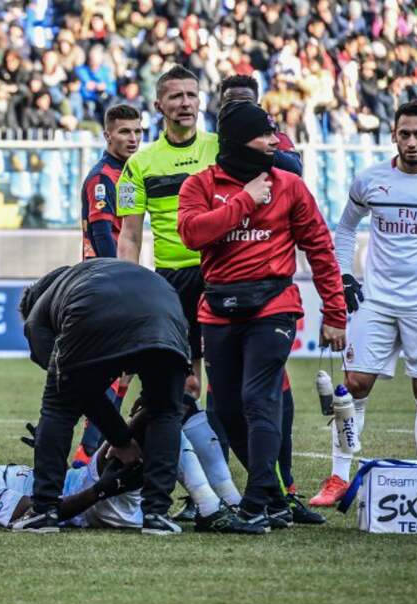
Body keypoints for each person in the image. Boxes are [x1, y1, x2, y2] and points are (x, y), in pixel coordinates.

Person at [177, 101, 347, 531]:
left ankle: (256, 501)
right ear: (237, 140)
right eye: (265, 134)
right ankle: (272, 497)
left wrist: (336, 313)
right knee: (227, 409)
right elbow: (192, 234)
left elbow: (321, 250)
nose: (275, 141)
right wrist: (244, 202)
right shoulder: (198, 185)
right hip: (217, 308)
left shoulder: (290, 186)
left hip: (274, 305)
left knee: (258, 399)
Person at [310, 100, 417, 507]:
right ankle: (338, 477)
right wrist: (344, 276)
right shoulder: (370, 180)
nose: (411, 142)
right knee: (353, 386)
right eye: (404, 133)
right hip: (375, 301)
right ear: (393, 135)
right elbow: (344, 227)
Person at [115, 65, 241, 521]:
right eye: (175, 96)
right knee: (183, 387)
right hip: (170, 283)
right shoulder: (140, 163)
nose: (185, 103)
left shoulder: (220, 149)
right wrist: (128, 288)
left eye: (191, 94)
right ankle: (204, 494)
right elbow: (129, 234)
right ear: (159, 106)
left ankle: (226, 489)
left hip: (223, 274)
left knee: (227, 384)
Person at [13, 258, 200, 536]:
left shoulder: (38, 313)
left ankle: (44, 510)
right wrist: (120, 438)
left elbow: (76, 391)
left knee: (58, 407)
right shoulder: (90, 274)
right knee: (164, 412)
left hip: (95, 308)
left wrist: (121, 439)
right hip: (166, 308)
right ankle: (157, 515)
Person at [0, 408, 261, 534]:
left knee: (168, 404)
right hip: (97, 504)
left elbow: (52, 486)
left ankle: (224, 501)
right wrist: (105, 488)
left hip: (89, 480)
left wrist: (50, 457)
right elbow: (36, 513)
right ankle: (212, 506)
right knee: (156, 414)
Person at [73, 103, 143, 465]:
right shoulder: (103, 178)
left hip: (120, 282)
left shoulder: (129, 174)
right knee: (109, 373)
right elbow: (102, 236)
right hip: (105, 286)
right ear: (108, 135)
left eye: (137, 131)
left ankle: (91, 450)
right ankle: (85, 455)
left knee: (125, 371)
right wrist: (120, 284)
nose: (132, 138)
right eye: (124, 132)